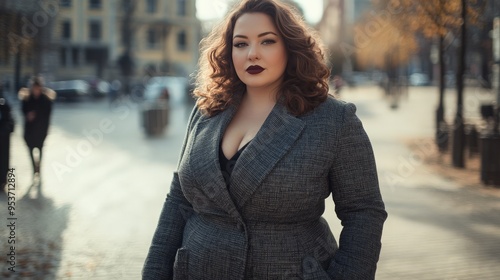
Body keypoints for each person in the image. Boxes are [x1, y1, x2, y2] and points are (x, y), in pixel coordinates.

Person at [143, 0, 387, 279]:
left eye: (267, 41)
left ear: (290, 48)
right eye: (241, 44)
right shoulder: (207, 111)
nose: (252, 54)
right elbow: (179, 200)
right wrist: (154, 272)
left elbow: (363, 213)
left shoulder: (334, 120)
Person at [19, 76, 55, 179]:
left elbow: (48, 114)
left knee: (40, 148)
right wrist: (28, 115)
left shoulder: (46, 99)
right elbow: (23, 110)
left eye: (38, 88)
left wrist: (37, 115)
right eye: (34, 88)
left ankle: (38, 166)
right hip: (29, 130)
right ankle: (34, 167)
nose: (36, 91)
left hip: (41, 129)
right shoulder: (27, 98)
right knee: (30, 149)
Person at [0, 87, 15, 193]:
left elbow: (10, 121)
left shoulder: (4, 104)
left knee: (3, 160)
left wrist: (5, 131)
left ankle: (2, 181)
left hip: (3, 139)